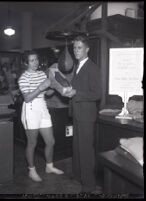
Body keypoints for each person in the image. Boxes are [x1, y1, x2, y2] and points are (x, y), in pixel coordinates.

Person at [63, 35, 102, 193]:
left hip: (86, 115)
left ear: (87, 49)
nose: (76, 51)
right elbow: (78, 88)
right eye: (74, 48)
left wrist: (76, 93)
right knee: (77, 147)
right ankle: (79, 176)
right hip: (78, 113)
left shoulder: (92, 67)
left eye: (79, 48)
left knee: (86, 151)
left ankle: (89, 185)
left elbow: (97, 94)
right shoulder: (78, 66)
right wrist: (69, 91)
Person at [18, 50, 64, 182]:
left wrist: (54, 86)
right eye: (32, 60)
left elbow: (47, 94)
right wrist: (40, 87)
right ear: (26, 63)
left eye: (36, 60)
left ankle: (49, 167)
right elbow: (27, 98)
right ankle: (31, 170)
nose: (35, 63)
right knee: (32, 142)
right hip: (31, 109)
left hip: (43, 107)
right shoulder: (23, 78)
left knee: (51, 141)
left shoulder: (42, 74)